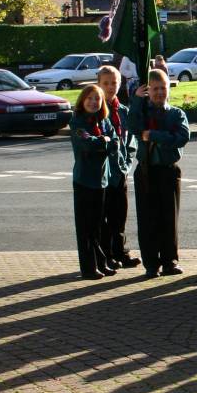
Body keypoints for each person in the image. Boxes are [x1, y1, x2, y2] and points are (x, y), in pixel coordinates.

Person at [126, 68, 191, 278]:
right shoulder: (142, 112)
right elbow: (133, 126)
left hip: (168, 170)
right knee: (147, 219)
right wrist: (136, 101)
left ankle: (170, 261)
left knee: (169, 218)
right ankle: (151, 264)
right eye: (155, 89)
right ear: (148, 91)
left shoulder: (176, 114)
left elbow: (181, 137)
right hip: (146, 171)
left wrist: (154, 135)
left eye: (163, 88)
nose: (159, 93)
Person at [69, 84, 117, 280]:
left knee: (98, 226)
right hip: (84, 181)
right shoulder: (77, 122)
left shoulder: (104, 121)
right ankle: (88, 268)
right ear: (82, 100)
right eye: (89, 98)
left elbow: (115, 142)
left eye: (97, 99)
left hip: (101, 180)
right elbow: (86, 144)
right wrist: (103, 142)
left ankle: (101, 262)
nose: (93, 102)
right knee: (86, 227)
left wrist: (104, 141)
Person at [97, 65, 140, 269]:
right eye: (106, 83)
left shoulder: (123, 112)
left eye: (114, 83)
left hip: (120, 172)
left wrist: (126, 163)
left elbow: (131, 141)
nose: (110, 87)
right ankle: (107, 255)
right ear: (99, 85)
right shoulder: (96, 112)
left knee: (119, 215)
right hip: (103, 173)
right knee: (104, 218)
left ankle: (121, 252)